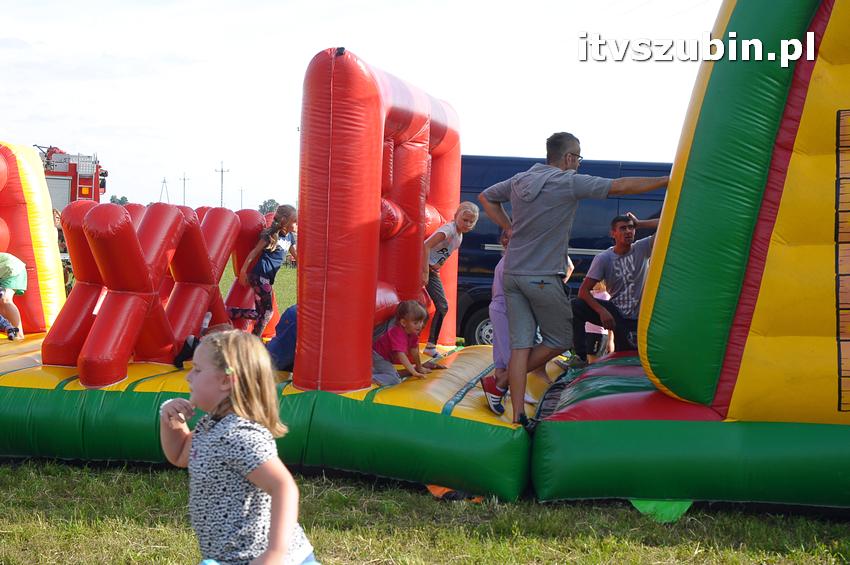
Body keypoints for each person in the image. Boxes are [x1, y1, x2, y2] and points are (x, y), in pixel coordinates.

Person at [478, 132, 668, 426]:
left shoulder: (519, 180)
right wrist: (666, 180)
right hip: (541, 276)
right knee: (561, 339)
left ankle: (516, 415)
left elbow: (486, 197)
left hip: (512, 273)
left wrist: (509, 226)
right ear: (568, 157)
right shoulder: (566, 182)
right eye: (578, 157)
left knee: (520, 346)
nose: (579, 163)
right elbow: (620, 185)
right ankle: (500, 381)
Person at [159, 330, 317, 565]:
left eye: (198, 370)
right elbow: (180, 454)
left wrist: (274, 554)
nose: (189, 377)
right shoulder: (211, 425)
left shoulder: (239, 435)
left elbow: (283, 487)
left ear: (226, 381)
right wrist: (170, 420)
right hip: (232, 557)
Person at [571, 213, 659, 364]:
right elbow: (583, 292)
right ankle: (580, 357)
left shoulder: (642, 248)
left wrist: (640, 223)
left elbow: (668, 223)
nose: (628, 231)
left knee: (628, 357)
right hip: (615, 313)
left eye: (631, 228)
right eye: (623, 228)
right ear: (613, 233)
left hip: (639, 316)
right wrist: (602, 311)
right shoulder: (604, 258)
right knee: (575, 305)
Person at [421, 202, 479, 357]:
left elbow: (443, 253)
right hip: (425, 267)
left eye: (471, 222)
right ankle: (430, 345)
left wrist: (437, 267)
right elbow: (425, 246)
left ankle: (430, 345)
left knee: (441, 306)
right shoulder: (449, 230)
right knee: (441, 305)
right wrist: (425, 272)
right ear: (456, 216)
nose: (467, 224)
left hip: (432, 270)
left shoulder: (459, 236)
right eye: (464, 220)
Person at [235, 205, 297, 337]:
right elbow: (254, 252)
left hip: (266, 279)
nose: (297, 225)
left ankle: (231, 312)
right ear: (285, 221)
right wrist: (243, 271)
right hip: (260, 276)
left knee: (260, 313)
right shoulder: (271, 235)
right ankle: (254, 340)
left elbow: (296, 256)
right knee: (268, 312)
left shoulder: (290, 237)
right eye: (294, 221)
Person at [372, 300, 431, 386]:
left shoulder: (413, 332)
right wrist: (414, 372)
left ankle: (373, 371)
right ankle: (368, 379)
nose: (420, 325)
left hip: (384, 359)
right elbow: (401, 355)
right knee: (394, 379)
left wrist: (419, 367)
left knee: (388, 371)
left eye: (421, 322)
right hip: (377, 356)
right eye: (416, 323)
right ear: (403, 323)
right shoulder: (397, 333)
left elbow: (414, 351)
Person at [0, 252, 27, 339]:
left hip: (12, 268)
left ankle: (18, 334)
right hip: (6, 269)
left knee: (5, 299)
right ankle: (11, 331)